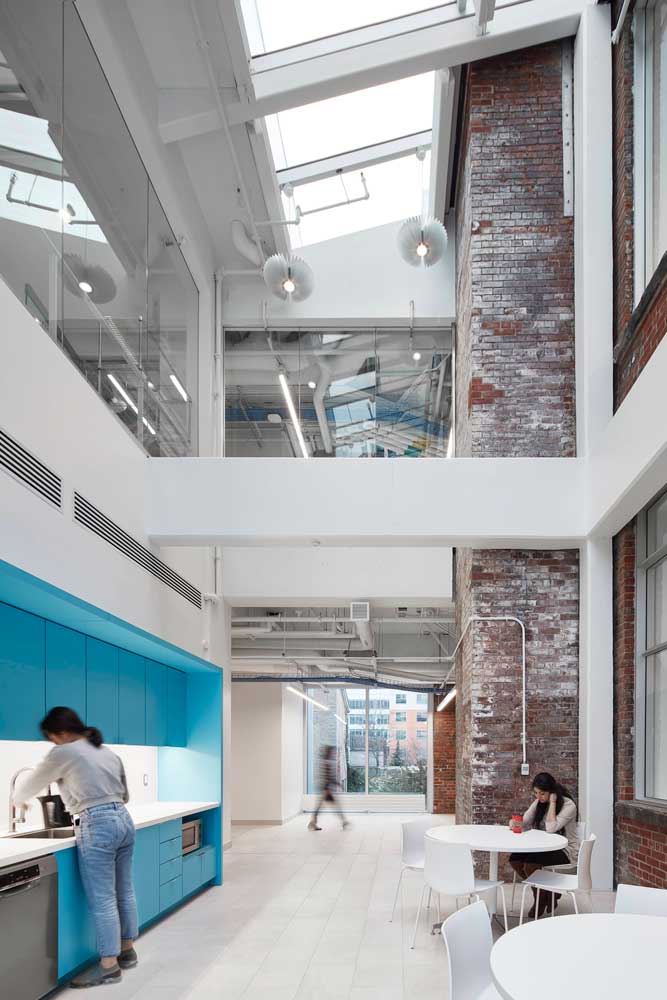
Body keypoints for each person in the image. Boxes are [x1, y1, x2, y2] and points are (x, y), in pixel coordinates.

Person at [13, 706, 138, 988]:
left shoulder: (63, 752)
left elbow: (31, 784)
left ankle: (109, 967)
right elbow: (125, 795)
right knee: (125, 890)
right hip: (123, 820)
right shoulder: (107, 752)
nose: (52, 745)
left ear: (61, 733)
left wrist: (17, 799)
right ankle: (127, 951)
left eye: (52, 739)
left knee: (104, 898)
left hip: (97, 823)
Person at [508, 771, 578, 918]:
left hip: (565, 851)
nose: (539, 797)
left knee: (530, 865)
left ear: (552, 792)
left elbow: (551, 828)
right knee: (514, 859)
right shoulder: (539, 801)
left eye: (542, 794)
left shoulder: (568, 804)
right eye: (536, 793)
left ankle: (542, 897)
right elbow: (525, 821)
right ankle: (545, 893)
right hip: (543, 849)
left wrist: (552, 802)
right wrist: (514, 823)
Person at [308, 744, 350, 831]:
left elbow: (330, 777)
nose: (334, 753)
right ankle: (344, 821)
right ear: (329, 752)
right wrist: (327, 789)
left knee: (320, 807)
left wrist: (337, 783)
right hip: (326, 789)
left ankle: (313, 823)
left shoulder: (326, 761)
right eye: (333, 751)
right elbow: (326, 777)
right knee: (335, 806)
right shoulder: (326, 763)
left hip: (326, 789)